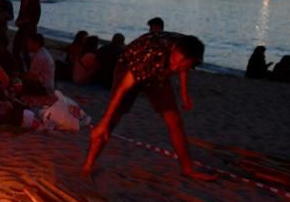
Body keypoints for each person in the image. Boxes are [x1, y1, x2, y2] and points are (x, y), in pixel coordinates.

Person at [82, 32, 215, 180]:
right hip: (129, 65)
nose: (175, 67)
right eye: (174, 62)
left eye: (180, 65)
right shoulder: (150, 56)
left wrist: (184, 94)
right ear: (173, 50)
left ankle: (188, 170)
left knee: (175, 121)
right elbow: (122, 89)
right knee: (112, 120)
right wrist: (104, 122)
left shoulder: (186, 48)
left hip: (159, 71)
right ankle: (87, 167)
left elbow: (183, 67)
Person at [12, 0, 41, 71]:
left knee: (25, 51)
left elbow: (36, 16)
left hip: (29, 29)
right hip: (22, 27)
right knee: (16, 49)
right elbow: (22, 12)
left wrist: (24, 21)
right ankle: (21, 69)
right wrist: (18, 20)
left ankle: (28, 70)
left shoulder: (35, 0)